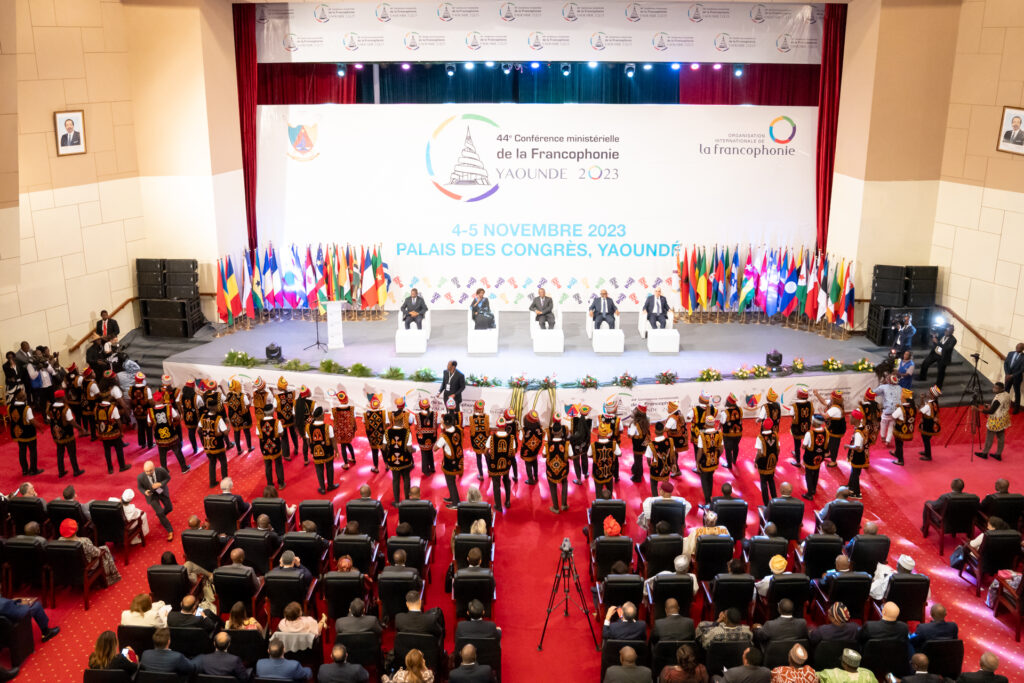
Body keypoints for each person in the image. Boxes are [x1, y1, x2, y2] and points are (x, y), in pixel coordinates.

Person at [60, 518, 121, 585]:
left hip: (70, 567)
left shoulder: (59, 541)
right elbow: (97, 553)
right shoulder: (84, 541)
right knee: (104, 549)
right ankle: (112, 577)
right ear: (76, 529)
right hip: (87, 567)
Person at [150, 390, 189, 473]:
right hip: (171, 435)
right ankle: (184, 468)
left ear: (154, 400)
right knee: (177, 451)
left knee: (162, 454)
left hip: (160, 437)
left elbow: (149, 423)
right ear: (162, 399)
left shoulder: (150, 411)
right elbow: (177, 418)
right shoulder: (169, 408)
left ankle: (164, 470)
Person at [48, 389, 84, 477]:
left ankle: (61, 471)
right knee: (72, 453)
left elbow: (50, 419)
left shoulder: (50, 407)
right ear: (63, 397)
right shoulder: (65, 409)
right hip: (67, 433)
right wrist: (80, 429)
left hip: (57, 434)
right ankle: (76, 470)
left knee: (60, 452)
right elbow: (72, 422)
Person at [138, 460, 175, 542]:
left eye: (150, 471)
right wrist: (145, 492)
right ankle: (170, 530)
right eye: (146, 471)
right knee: (160, 512)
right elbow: (140, 487)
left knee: (169, 508)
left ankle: (161, 517)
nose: (148, 473)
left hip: (160, 490)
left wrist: (161, 484)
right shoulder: (140, 477)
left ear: (154, 468)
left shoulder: (161, 470)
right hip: (152, 495)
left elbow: (168, 478)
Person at [8, 388, 42, 476]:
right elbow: (32, 420)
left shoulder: (10, 407)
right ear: (23, 397)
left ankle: (24, 470)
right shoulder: (26, 408)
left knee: (22, 451)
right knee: (32, 451)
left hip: (18, 433)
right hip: (28, 433)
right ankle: (33, 470)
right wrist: (39, 427)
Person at [976, 382, 1011, 461]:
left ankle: (984, 453)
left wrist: (978, 410)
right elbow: (1000, 406)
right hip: (1003, 418)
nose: (994, 389)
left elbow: (991, 411)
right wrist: (990, 406)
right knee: (1001, 436)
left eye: (996, 388)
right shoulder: (1007, 394)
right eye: (994, 387)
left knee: (989, 437)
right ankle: (998, 454)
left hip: (996, 419)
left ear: (1001, 389)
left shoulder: (998, 399)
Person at [486, 417, 515, 513]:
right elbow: (513, 453)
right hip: (506, 464)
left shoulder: (491, 437)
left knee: (496, 484)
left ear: (497, 426)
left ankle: (498, 505)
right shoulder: (511, 438)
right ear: (505, 426)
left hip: (494, 465)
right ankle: (507, 501)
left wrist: (490, 457)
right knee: (507, 481)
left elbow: (486, 451)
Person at [919, 324, 956, 389]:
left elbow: (947, 348)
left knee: (941, 372)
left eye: (950, 331)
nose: (947, 332)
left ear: (952, 332)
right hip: (935, 353)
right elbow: (933, 335)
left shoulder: (953, 340)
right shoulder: (942, 334)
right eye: (946, 330)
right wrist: (933, 335)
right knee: (925, 363)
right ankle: (922, 378)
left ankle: (938, 386)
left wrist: (937, 342)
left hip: (943, 357)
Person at [800, 414, 828, 500]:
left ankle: (809, 493)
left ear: (815, 423)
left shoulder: (810, 433)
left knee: (808, 474)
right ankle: (813, 489)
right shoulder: (826, 432)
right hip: (819, 456)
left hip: (810, 456)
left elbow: (804, 446)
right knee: (816, 472)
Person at [644, 420, 673, 498]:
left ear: (655, 431)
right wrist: (673, 464)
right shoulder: (670, 441)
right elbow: (672, 454)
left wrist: (650, 466)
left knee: (654, 484)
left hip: (656, 468)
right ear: (663, 430)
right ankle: (666, 497)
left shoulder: (651, 445)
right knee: (665, 484)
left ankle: (655, 498)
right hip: (666, 467)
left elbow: (648, 459)